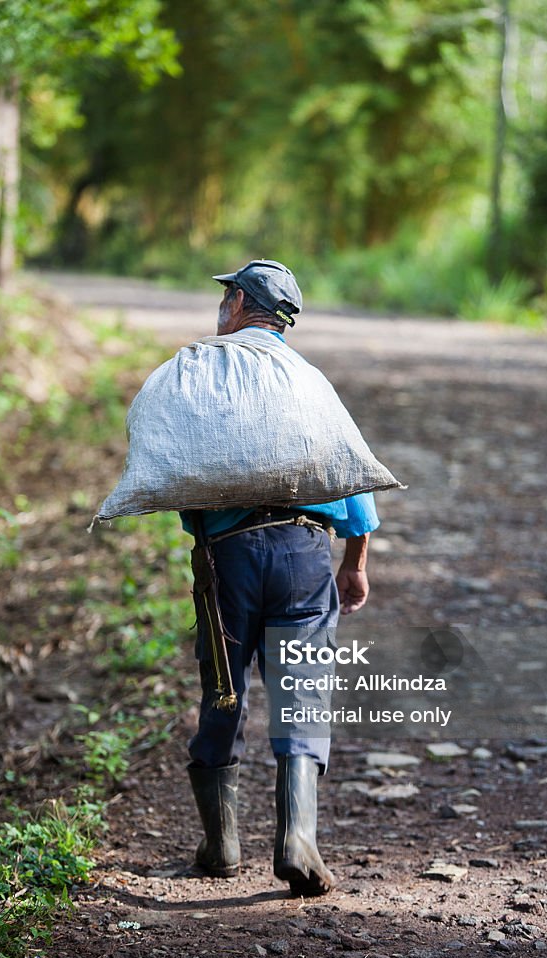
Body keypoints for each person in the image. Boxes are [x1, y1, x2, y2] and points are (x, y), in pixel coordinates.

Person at [181, 260, 379, 897]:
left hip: (228, 559)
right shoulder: (310, 383)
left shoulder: (206, 374)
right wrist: (354, 565)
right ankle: (298, 839)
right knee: (304, 690)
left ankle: (222, 845)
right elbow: (353, 476)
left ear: (237, 303)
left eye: (226, 297)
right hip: (303, 555)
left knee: (224, 689)